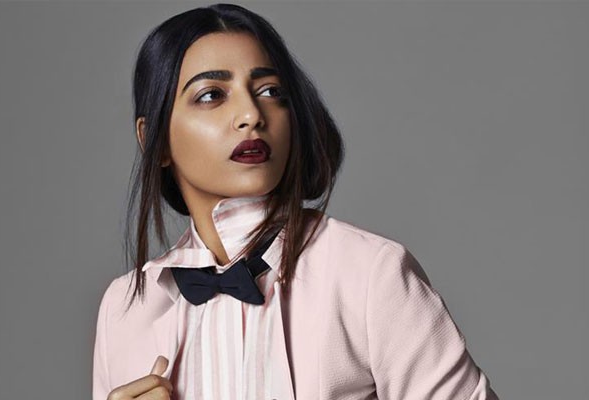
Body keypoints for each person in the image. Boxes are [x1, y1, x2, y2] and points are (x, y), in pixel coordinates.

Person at [92, 3, 499, 400]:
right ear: (155, 140)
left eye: (270, 91)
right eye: (212, 95)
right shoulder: (123, 309)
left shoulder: (370, 275)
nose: (251, 114)